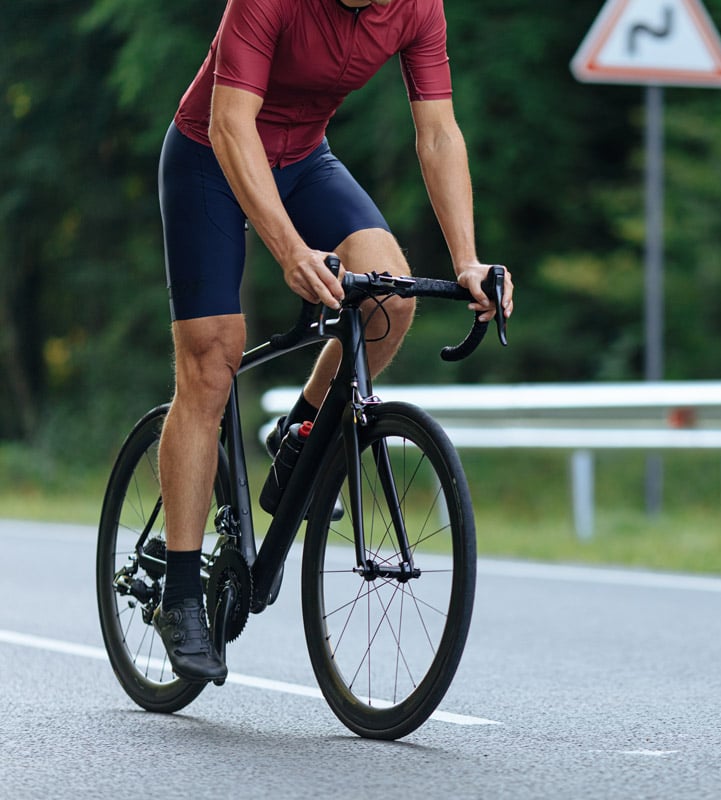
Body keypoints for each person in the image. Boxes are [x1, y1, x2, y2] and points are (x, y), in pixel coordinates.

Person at [154, 0, 513, 683]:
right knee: (211, 361)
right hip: (211, 156)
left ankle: (302, 431)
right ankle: (179, 594)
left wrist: (467, 260)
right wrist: (289, 249)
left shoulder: (416, 8)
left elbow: (437, 133)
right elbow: (231, 125)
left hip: (305, 159)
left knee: (391, 294)